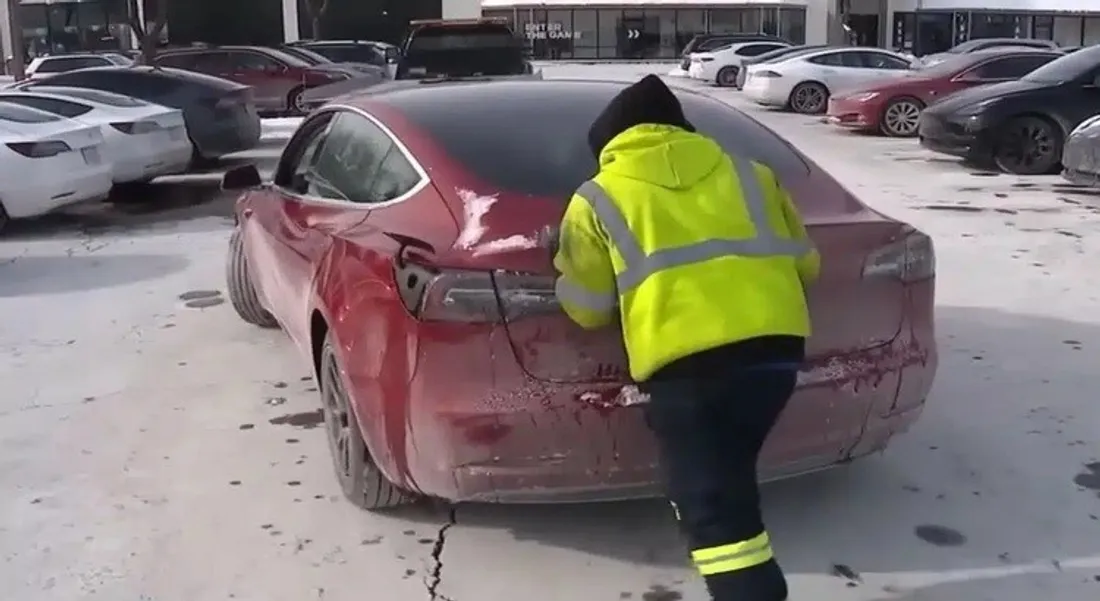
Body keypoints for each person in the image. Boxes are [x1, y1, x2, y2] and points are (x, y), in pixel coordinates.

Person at [550, 75, 820, 601]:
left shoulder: (597, 198)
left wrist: (562, 269)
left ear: (609, 145)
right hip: (776, 358)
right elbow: (807, 265)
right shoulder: (752, 174)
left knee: (710, 508)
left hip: (688, 369)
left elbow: (587, 310)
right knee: (728, 476)